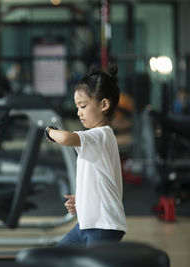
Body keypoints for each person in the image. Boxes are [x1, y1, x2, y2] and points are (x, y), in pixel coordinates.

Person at [44, 65, 127, 247]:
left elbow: (65, 137)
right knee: (58, 257)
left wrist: (48, 131)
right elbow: (97, 180)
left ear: (104, 105)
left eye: (83, 106)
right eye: (77, 107)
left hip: (104, 227)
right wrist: (82, 199)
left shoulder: (100, 135)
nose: (78, 112)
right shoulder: (98, 139)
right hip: (87, 225)